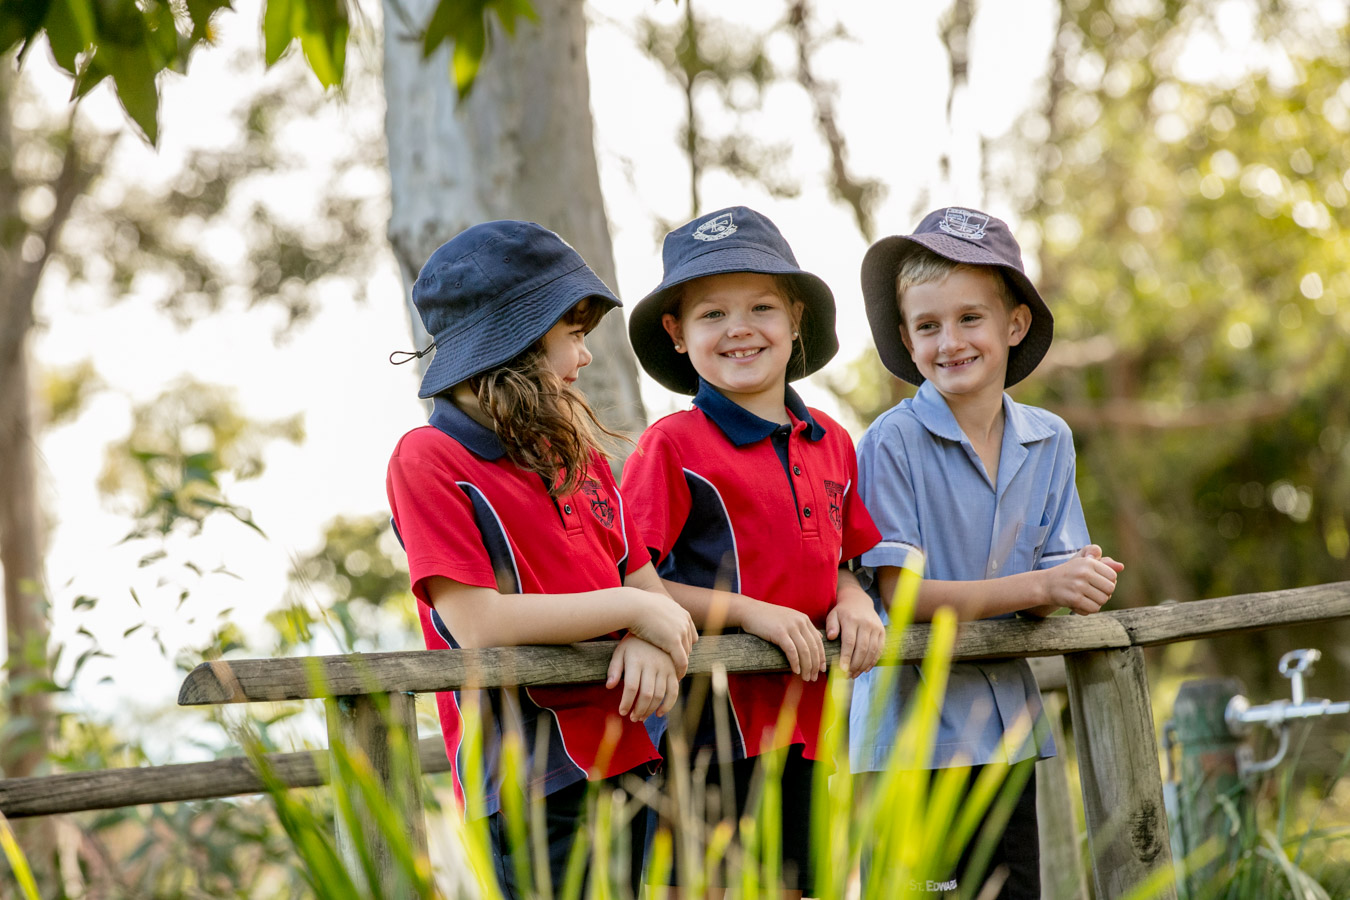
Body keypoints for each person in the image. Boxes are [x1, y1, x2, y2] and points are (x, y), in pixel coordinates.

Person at [385, 220, 698, 899]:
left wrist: (649, 634)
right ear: (520, 342)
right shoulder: (429, 459)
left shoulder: (580, 458)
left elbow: (647, 590)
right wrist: (634, 611)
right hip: (527, 784)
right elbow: (478, 623)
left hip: (635, 752)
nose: (583, 359)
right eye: (574, 336)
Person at [850, 206, 1124, 899]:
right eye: (928, 325)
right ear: (908, 342)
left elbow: (1060, 588)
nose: (950, 341)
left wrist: (1082, 582)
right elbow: (902, 600)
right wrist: (1046, 586)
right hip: (910, 740)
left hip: (1007, 733)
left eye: (970, 318)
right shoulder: (891, 443)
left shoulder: (1051, 439)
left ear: (1015, 325)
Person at [622, 206, 884, 896]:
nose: (739, 328)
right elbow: (631, 579)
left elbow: (845, 559)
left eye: (762, 306)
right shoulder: (671, 446)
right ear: (677, 335)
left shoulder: (832, 440)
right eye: (712, 314)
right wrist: (748, 613)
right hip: (708, 735)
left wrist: (854, 597)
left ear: (796, 319)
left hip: (812, 728)